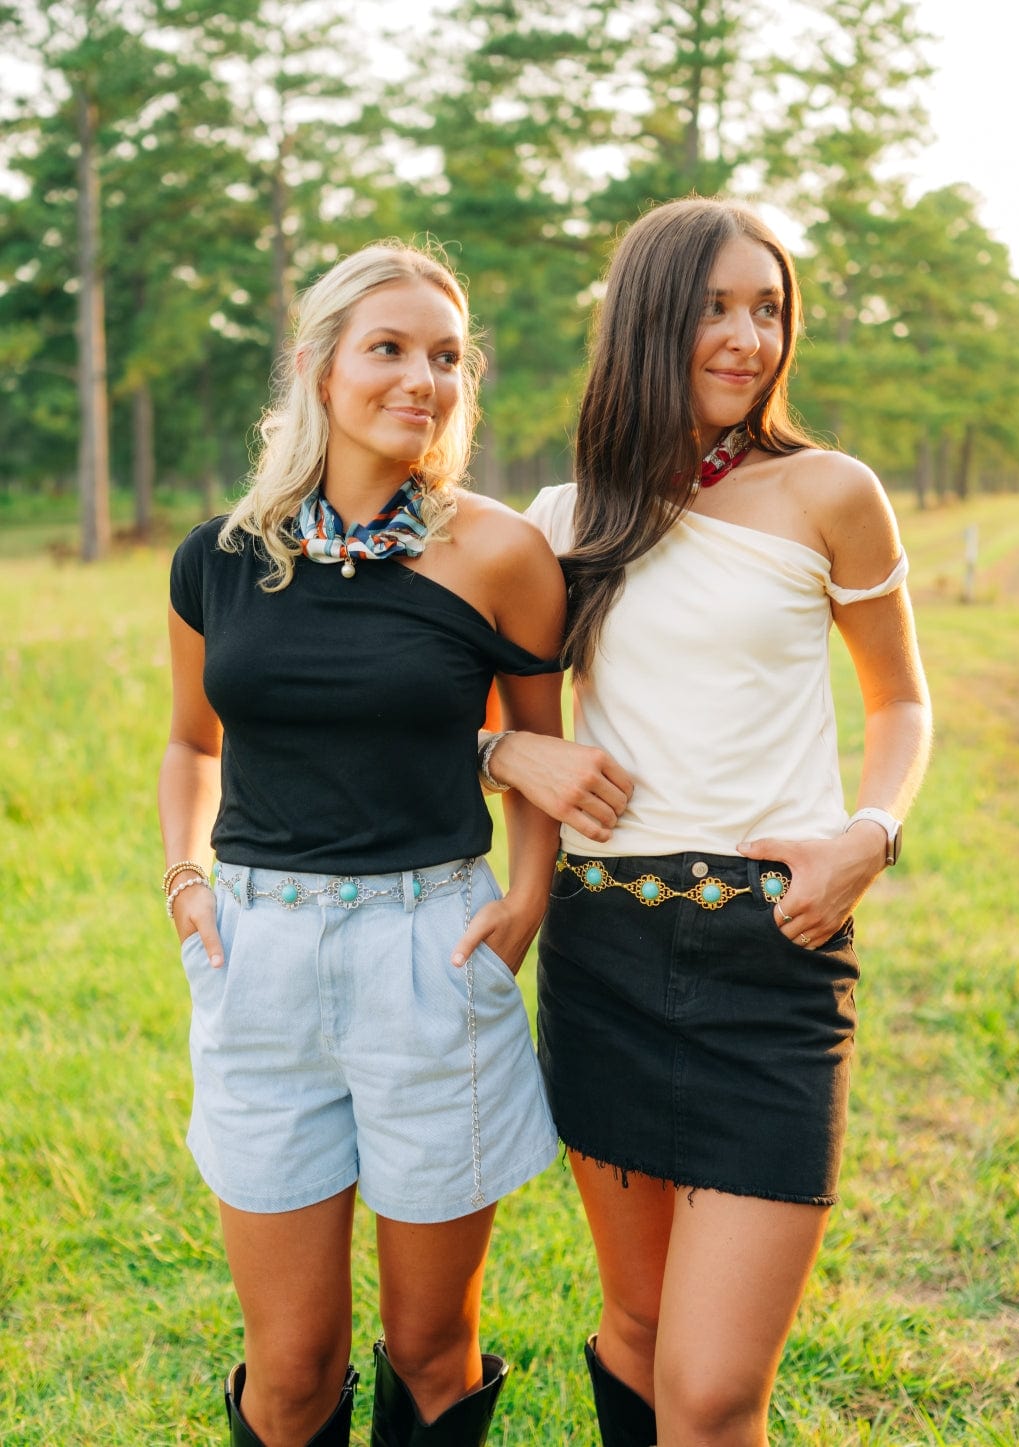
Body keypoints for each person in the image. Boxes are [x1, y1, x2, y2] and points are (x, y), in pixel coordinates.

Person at [481, 196, 933, 1446]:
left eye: (768, 310)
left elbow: (899, 701)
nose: (748, 337)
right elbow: (446, 716)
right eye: (714, 308)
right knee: (635, 1330)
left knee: (714, 1389)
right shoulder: (561, 521)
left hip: (771, 954)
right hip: (601, 952)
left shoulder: (828, 491)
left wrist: (869, 833)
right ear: (645, 320)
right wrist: (509, 749)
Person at [158, 240, 565, 1447]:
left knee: (432, 1349)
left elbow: (541, 754)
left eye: (444, 356)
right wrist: (183, 876)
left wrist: (525, 902)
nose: (420, 379)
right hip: (258, 960)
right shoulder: (218, 558)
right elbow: (190, 743)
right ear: (318, 367)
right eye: (387, 348)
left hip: (428, 950)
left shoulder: (499, 554)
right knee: (290, 1368)